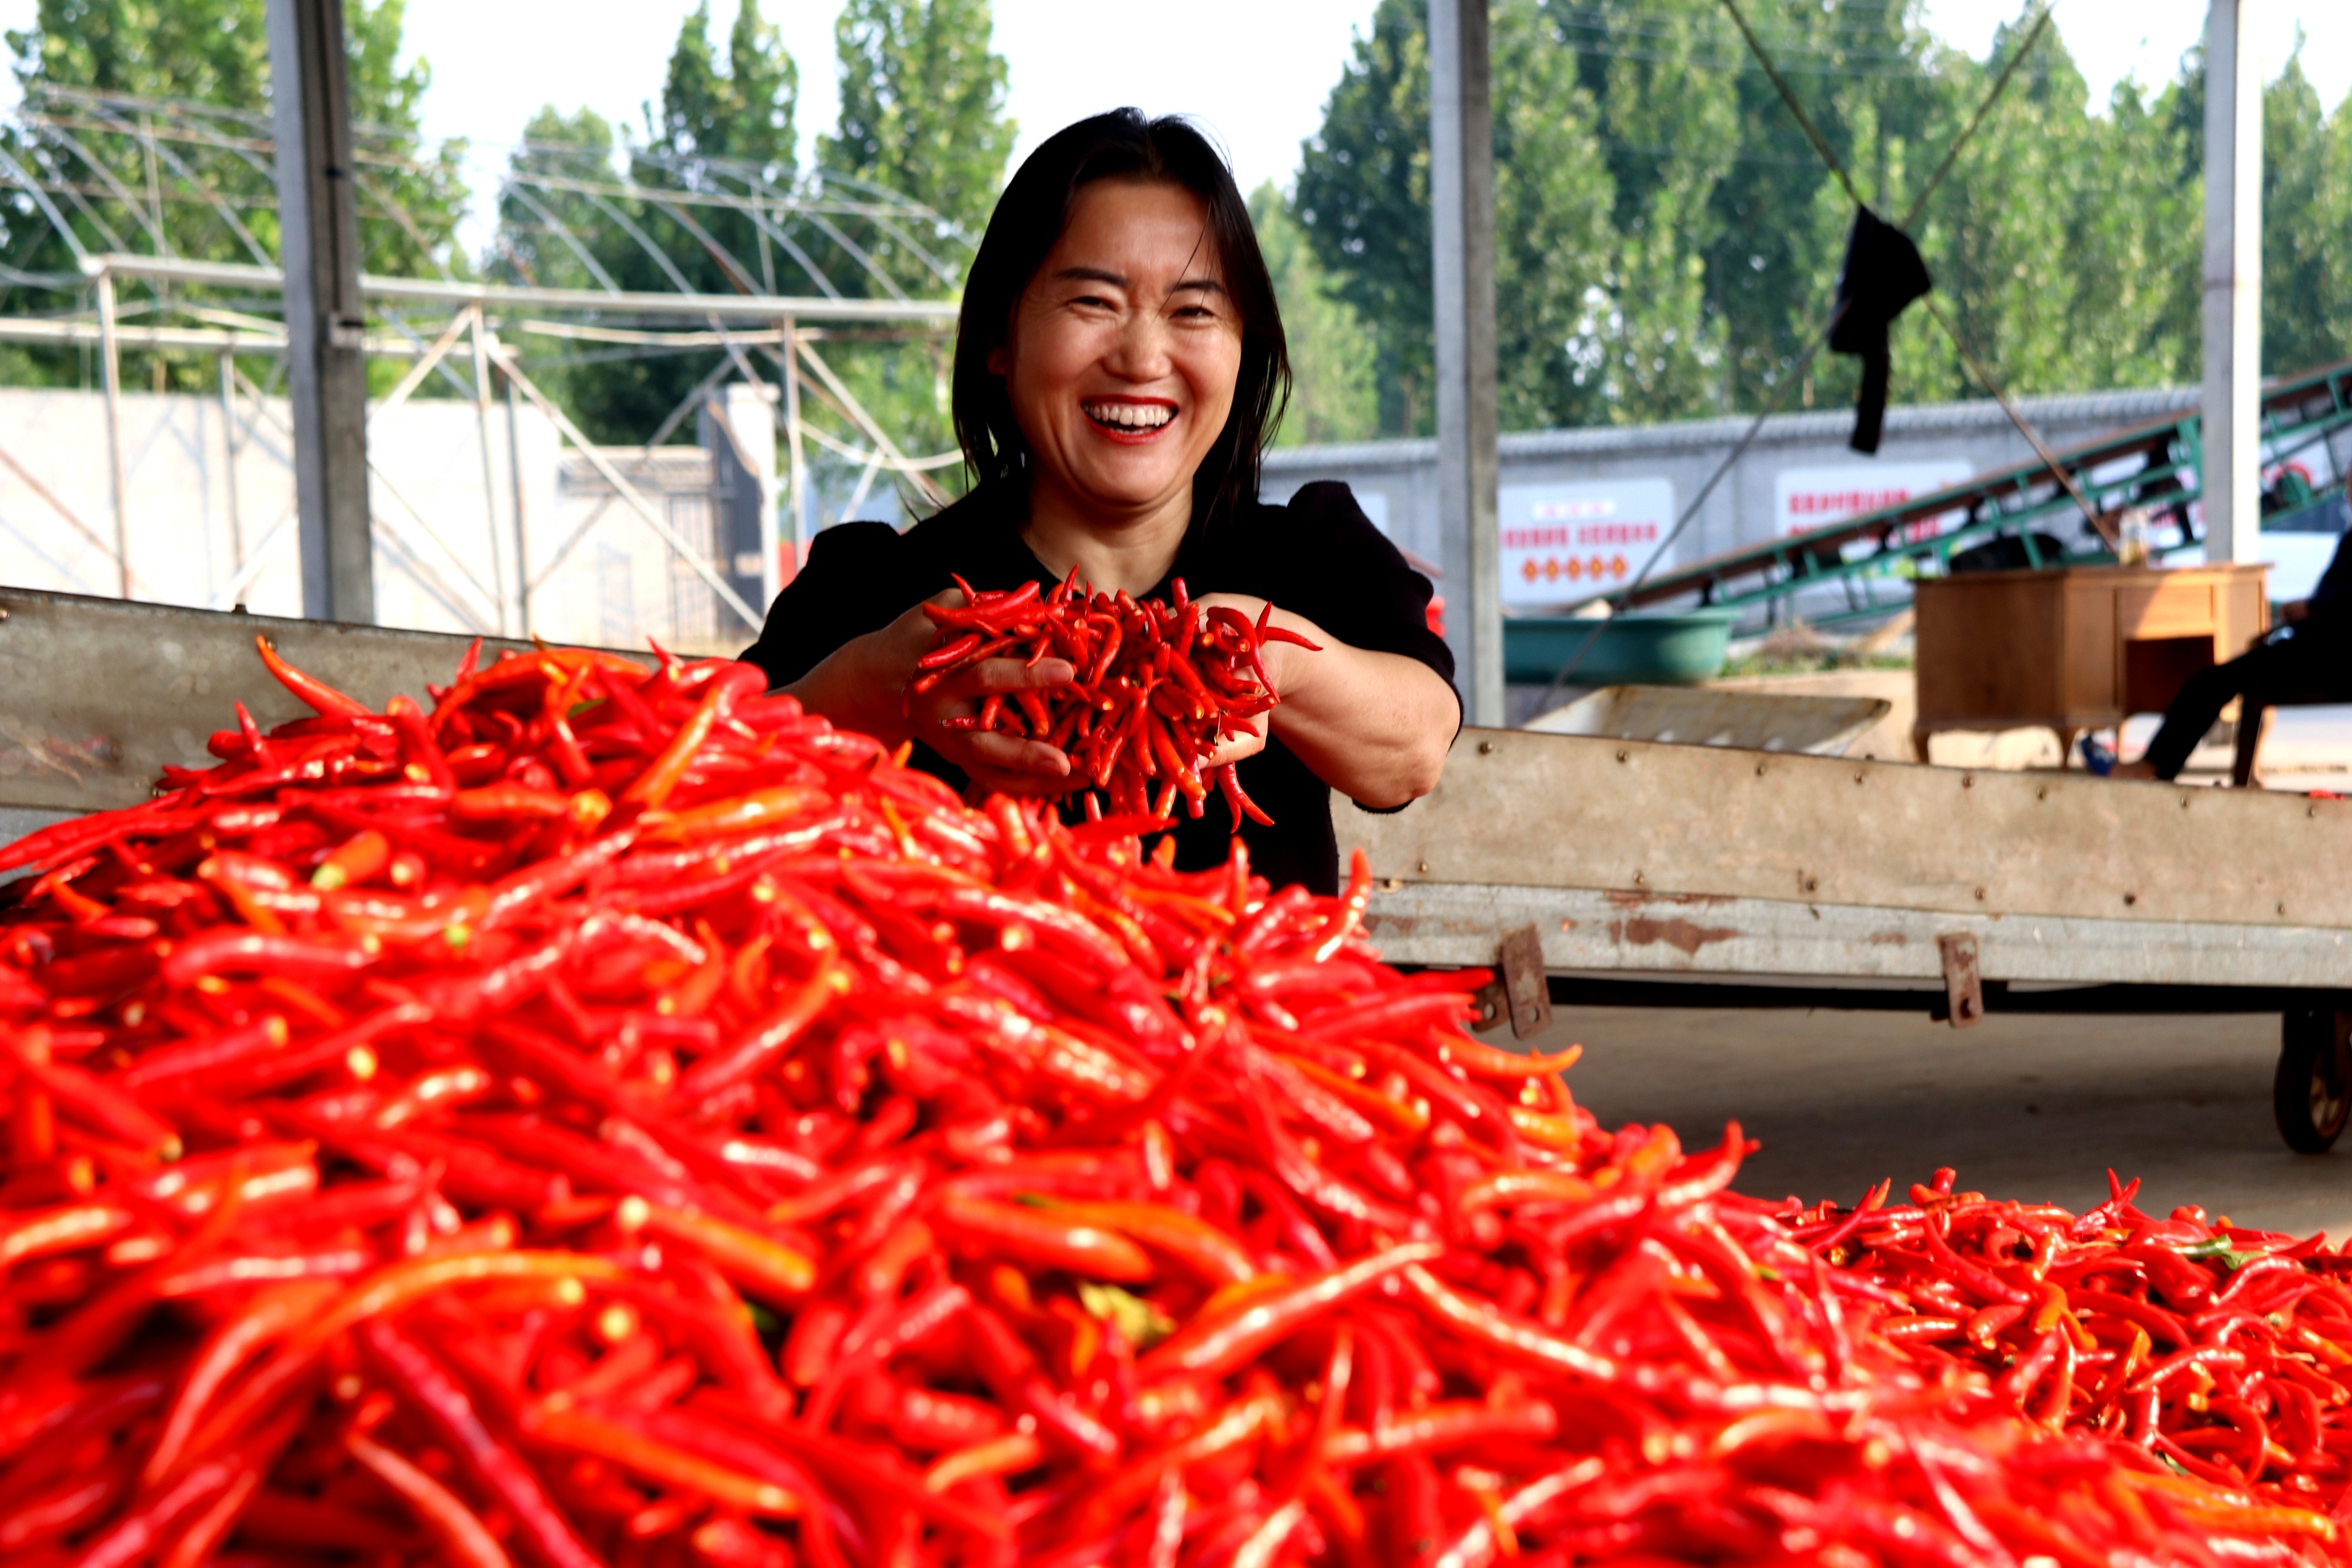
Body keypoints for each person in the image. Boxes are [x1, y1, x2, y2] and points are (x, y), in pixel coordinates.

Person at [740, 110, 1460, 895]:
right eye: (1092, 302)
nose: (1143, 358)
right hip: (963, 1016)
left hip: (1252, 1014)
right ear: (999, 338)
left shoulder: (1308, 558)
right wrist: (872, 687)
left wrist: (1280, 665)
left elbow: (1414, 750)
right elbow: (719, 786)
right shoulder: (880, 591)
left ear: (1244, 347)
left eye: (1193, 311)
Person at [2094, 522, 2352, 780]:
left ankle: (2151, 768)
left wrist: (2312, 608)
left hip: (2327, 657)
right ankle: (2161, 769)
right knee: (2213, 680)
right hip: (2319, 648)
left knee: (2209, 684)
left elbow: (2340, 601)